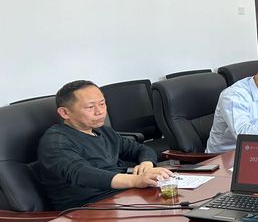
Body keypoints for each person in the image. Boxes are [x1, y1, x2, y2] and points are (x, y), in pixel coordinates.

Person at [35, 80, 173, 211]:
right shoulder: (56, 141)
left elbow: (140, 149)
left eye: (102, 103)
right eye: (90, 107)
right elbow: (81, 173)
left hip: (123, 198)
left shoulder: (103, 131)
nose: (100, 111)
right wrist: (135, 180)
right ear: (65, 112)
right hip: (89, 209)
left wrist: (147, 164)